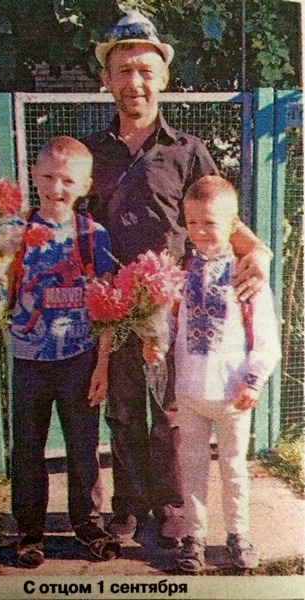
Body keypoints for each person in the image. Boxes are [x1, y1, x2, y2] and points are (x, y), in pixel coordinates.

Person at [82, 10, 273, 547]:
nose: (135, 82)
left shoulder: (187, 151)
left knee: (172, 413)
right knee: (122, 411)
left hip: (179, 312)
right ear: (107, 79)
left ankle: (171, 506)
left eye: (145, 70)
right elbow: (65, 226)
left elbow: (223, 219)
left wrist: (260, 252)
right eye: (123, 70)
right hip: (115, 310)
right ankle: (127, 506)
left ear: (163, 77)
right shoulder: (91, 153)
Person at [0, 136, 120, 567]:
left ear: (85, 185)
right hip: (29, 359)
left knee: (83, 448)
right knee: (28, 449)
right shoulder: (12, 231)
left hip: (80, 359)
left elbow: (107, 308)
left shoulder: (93, 235)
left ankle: (89, 526)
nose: (56, 188)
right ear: (34, 176)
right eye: (47, 177)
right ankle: (29, 532)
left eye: (67, 180)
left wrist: (102, 364)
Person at [161, 175, 280, 571]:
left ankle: (238, 534)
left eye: (209, 223)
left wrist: (254, 380)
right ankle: (193, 537)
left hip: (233, 394)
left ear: (232, 225)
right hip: (190, 392)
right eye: (191, 222)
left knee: (233, 469)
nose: (199, 232)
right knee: (192, 470)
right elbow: (170, 324)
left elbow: (266, 337)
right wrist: (155, 340)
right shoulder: (181, 272)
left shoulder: (246, 274)